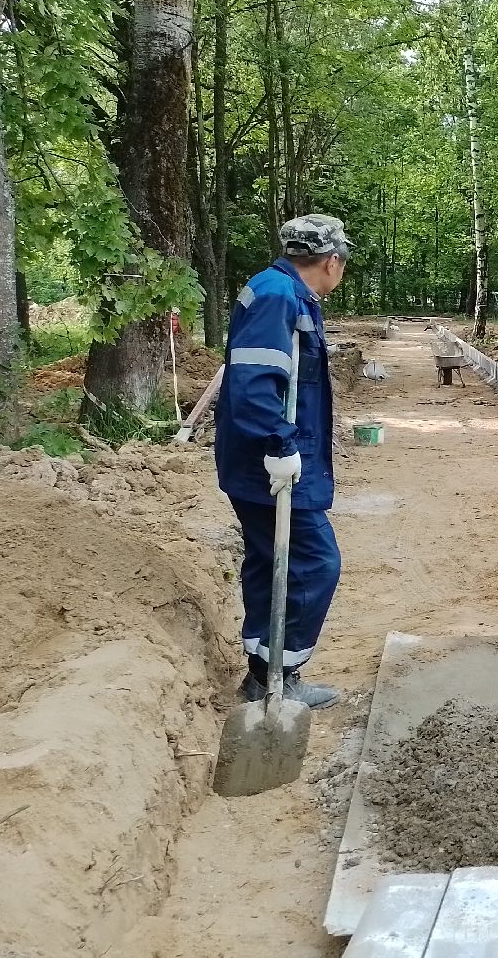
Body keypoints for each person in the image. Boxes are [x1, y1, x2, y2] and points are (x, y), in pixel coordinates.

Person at [215, 214, 351, 710]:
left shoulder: (282, 291)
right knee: (316, 564)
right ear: (332, 261)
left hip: (263, 462)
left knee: (268, 560)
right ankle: (282, 673)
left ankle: (260, 670)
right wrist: (278, 445)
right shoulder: (278, 297)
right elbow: (254, 384)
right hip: (268, 465)